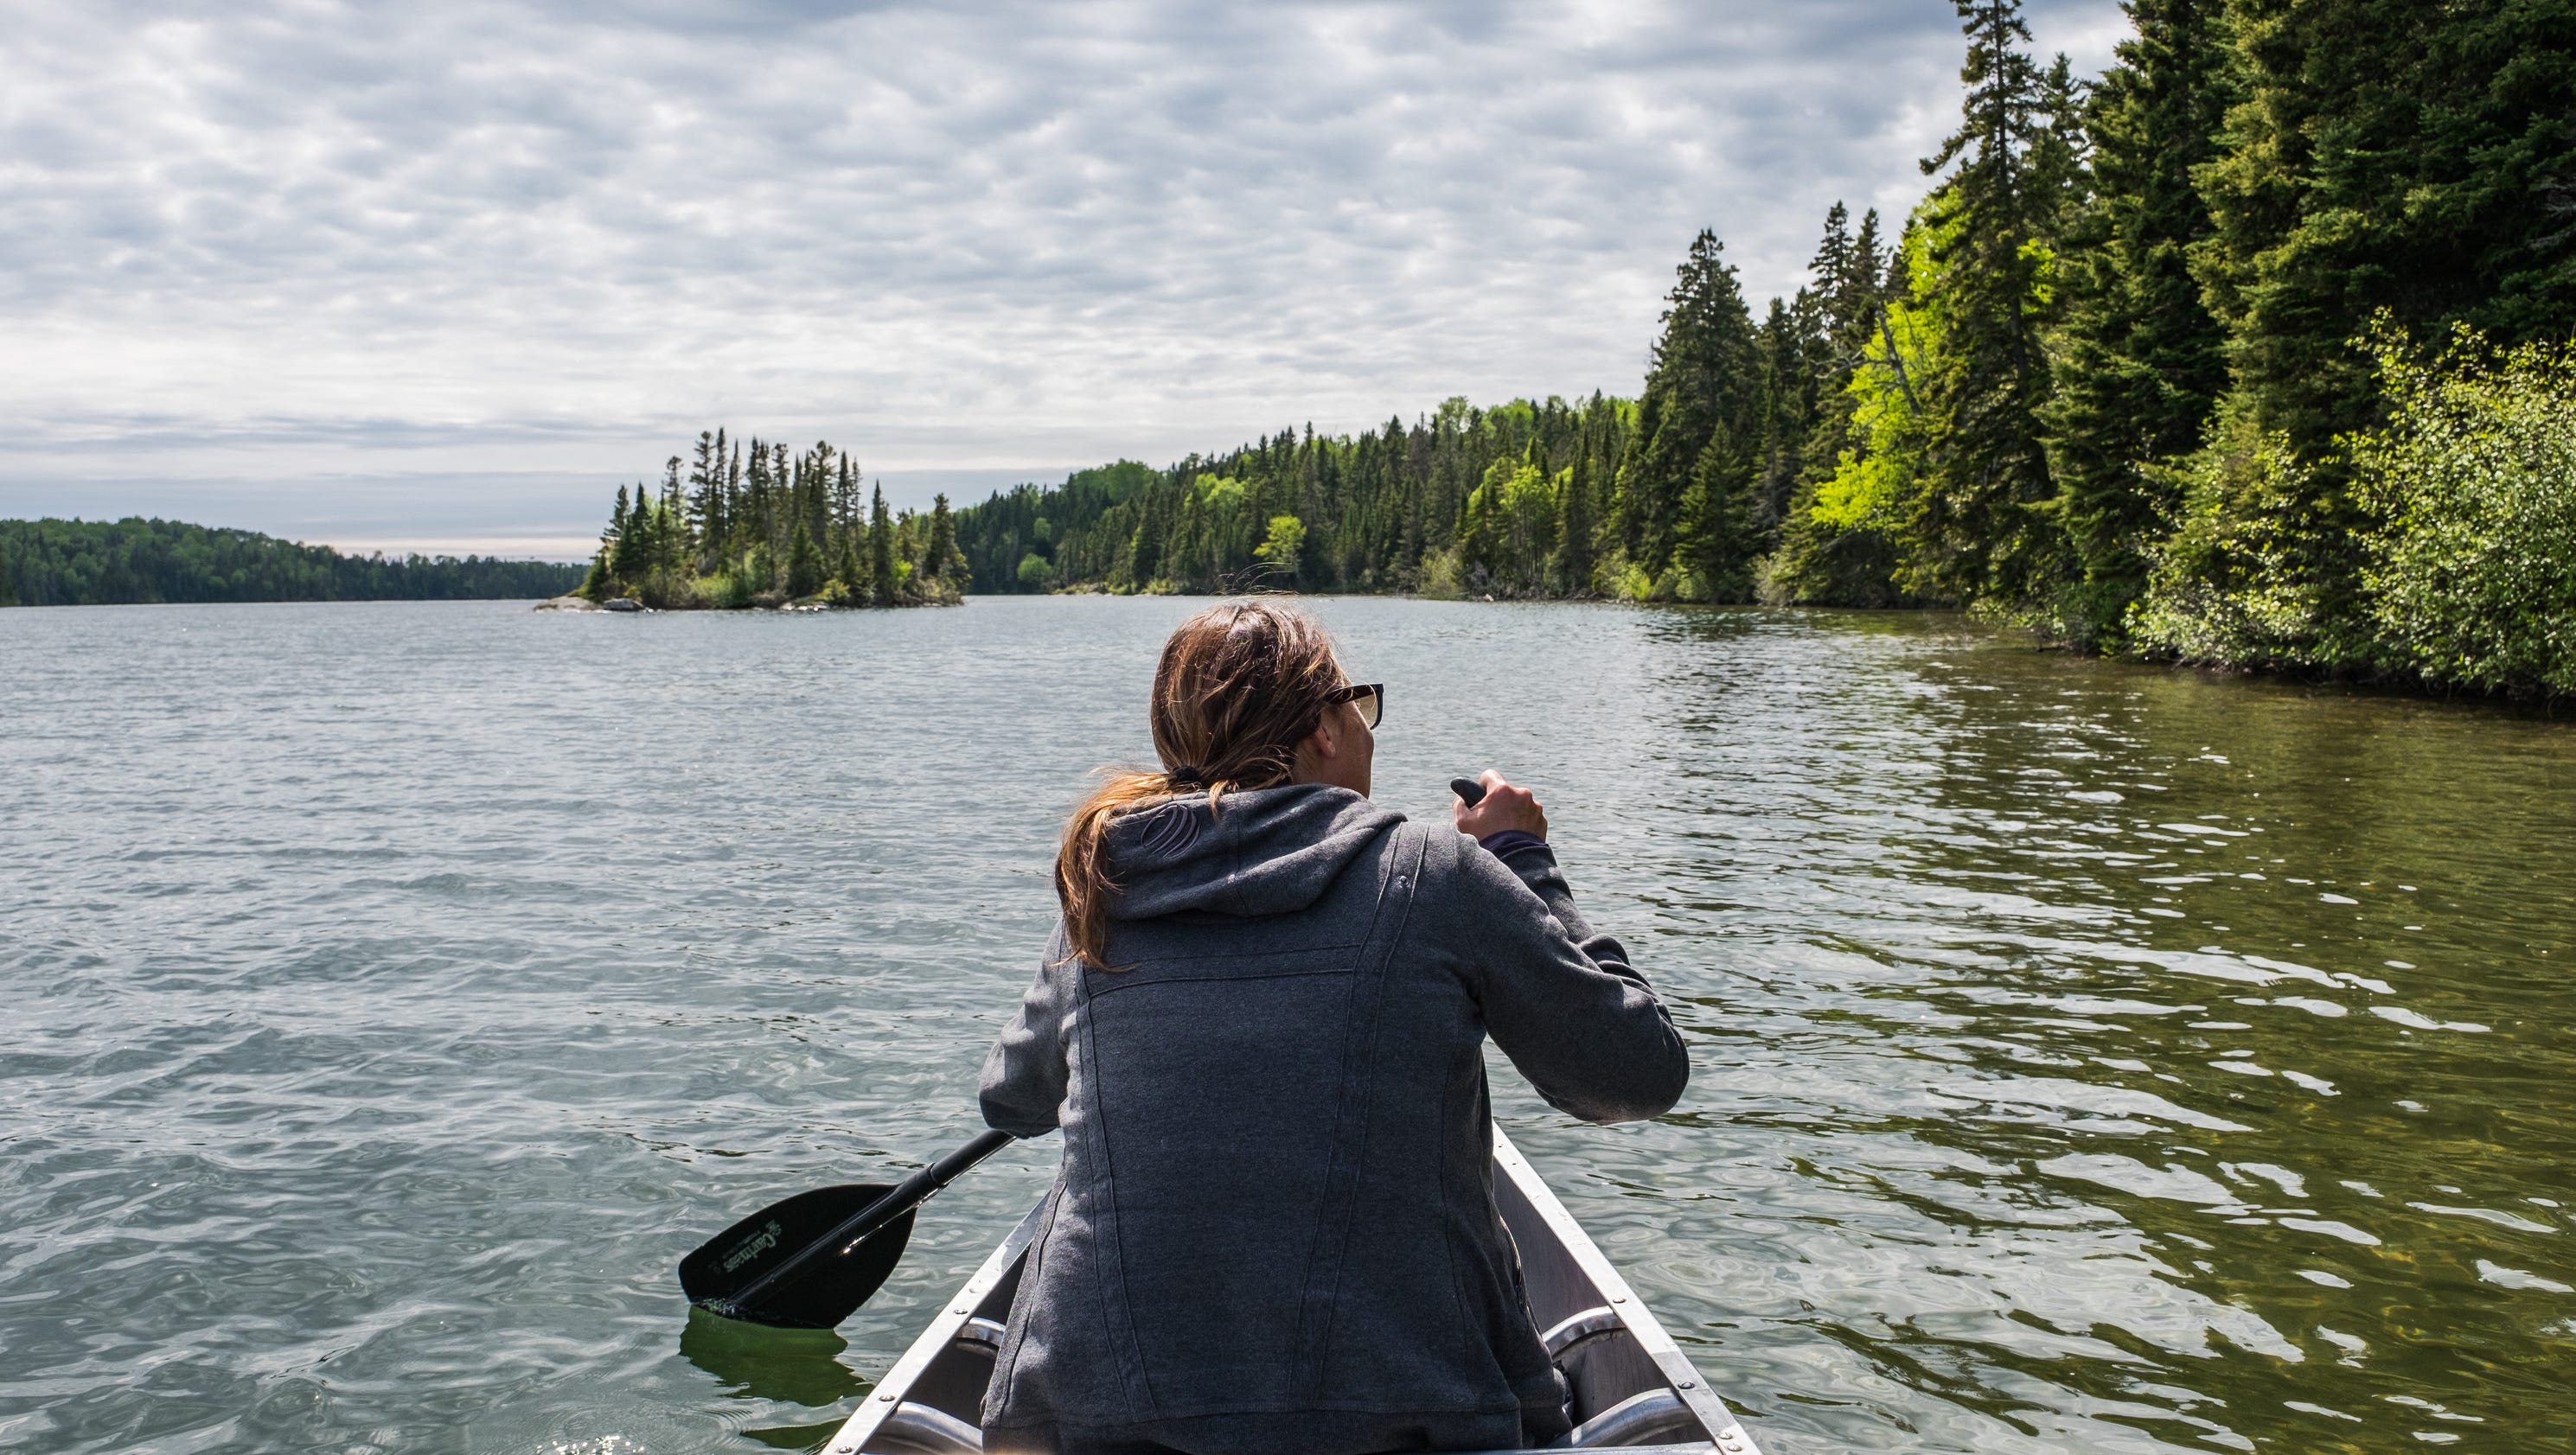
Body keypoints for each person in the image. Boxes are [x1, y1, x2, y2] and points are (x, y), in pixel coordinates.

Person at [977, 599, 1688, 1455]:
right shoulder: (1435, 874)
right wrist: (1523, 862)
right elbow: (1637, 1072)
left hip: (1097, 1425)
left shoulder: (1106, 891)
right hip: (1409, 1422)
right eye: (1359, 703)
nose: (1366, 728)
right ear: (1322, 727)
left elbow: (1011, 1101)